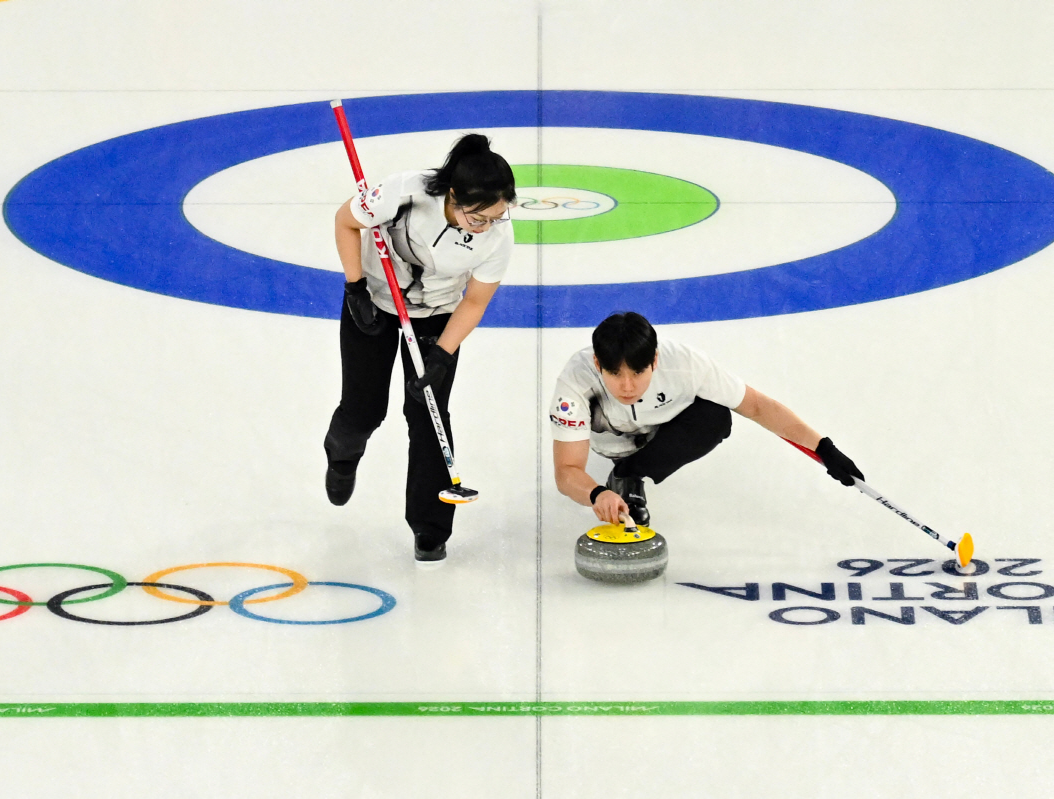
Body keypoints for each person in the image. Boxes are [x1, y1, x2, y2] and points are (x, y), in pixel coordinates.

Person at [325, 134, 516, 564]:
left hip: (438, 317)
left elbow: (475, 300)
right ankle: (341, 455)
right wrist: (355, 285)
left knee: (428, 415)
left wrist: (443, 353)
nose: (487, 225)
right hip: (372, 301)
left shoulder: (497, 237)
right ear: (453, 196)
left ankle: (431, 527)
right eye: (478, 217)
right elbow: (345, 221)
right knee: (364, 408)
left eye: (497, 216)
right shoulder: (403, 192)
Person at [550, 312, 863, 525]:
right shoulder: (577, 382)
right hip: (611, 441)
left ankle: (630, 474)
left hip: (661, 432)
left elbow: (755, 405)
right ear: (596, 362)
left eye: (638, 372)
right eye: (615, 374)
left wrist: (824, 449)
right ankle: (619, 474)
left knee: (716, 416)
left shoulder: (685, 364)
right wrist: (596, 494)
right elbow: (567, 471)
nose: (627, 386)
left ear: (655, 360)